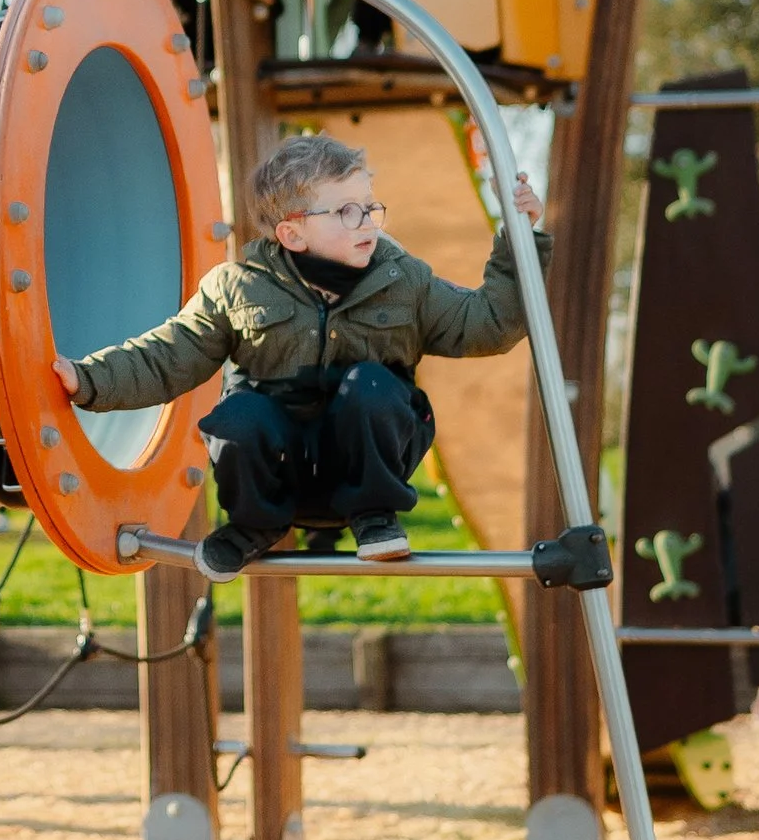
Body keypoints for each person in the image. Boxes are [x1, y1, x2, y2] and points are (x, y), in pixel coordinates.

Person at [52, 129, 549, 581]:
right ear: (292, 234)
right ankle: (252, 526)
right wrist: (89, 379)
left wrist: (518, 241)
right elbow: (165, 356)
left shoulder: (402, 282)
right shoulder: (237, 287)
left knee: (371, 386)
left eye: (370, 206)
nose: (369, 223)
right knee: (237, 413)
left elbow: (487, 326)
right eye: (346, 211)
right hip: (283, 468)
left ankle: (375, 516)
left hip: (369, 463)